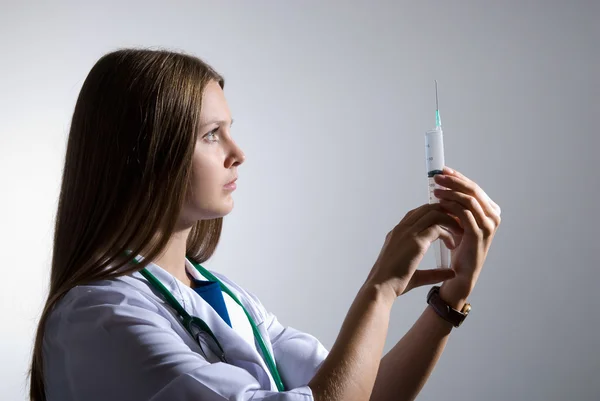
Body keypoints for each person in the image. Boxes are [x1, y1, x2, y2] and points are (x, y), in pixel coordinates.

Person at [29, 48, 501, 401]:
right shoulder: (99, 317)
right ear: (146, 154)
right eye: (212, 135)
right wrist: (379, 289)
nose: (238, 153)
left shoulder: (219, 295)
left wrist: (450, 300)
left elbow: (362, 391)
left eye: (230, 129)